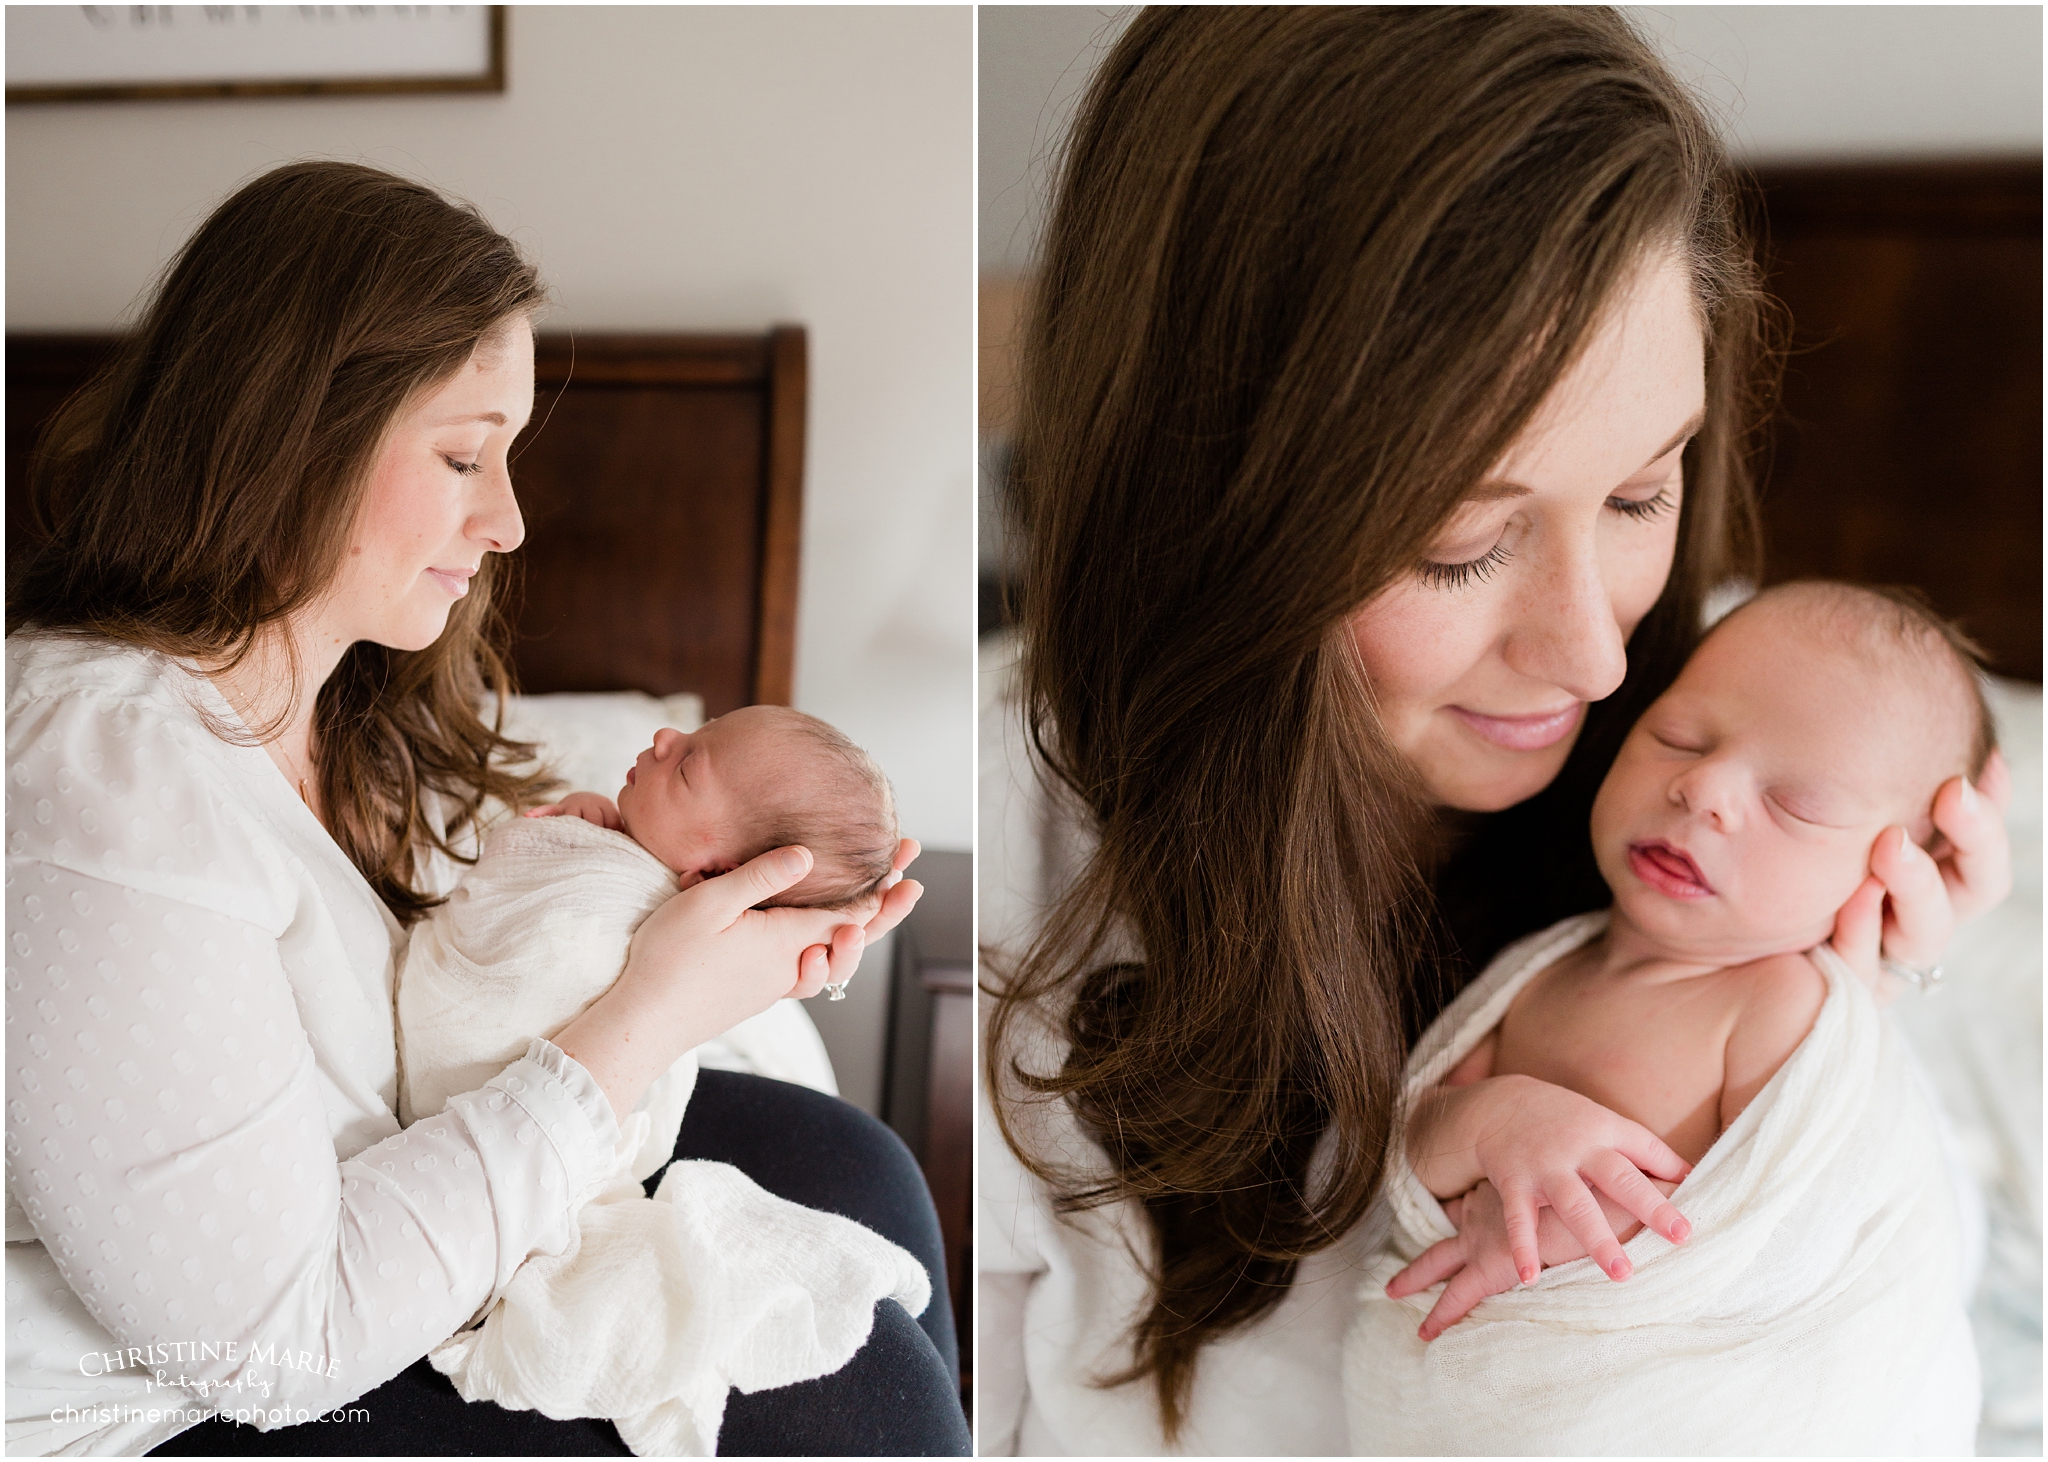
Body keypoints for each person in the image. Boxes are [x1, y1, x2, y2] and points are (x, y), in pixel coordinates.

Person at [977, 9, 2012, 1455]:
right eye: (1461, 544)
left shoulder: (1770, 713)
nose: (1598, 658)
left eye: (1645, 495)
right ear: (1212, 503)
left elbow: (1859, 1339)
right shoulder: (1005, 891)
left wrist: (1862, 1008)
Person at [5, 161, 968, 1457]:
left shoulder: (336, 706)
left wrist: (740, 960)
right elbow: (268, 1344)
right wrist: (648, 1014)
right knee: (866, 1405)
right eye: (465, 453)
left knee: (861, 1170)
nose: (508, 519)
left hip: (353, 1209)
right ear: (291, 438)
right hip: (169, 1395)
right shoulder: (103, 776)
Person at [1341, 581, 1988, 1454]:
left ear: (1893, 870)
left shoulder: (1781, 1010)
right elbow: (1406, 1144)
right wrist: (1491, 1122)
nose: (1704, 788)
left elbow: (1774, 1248)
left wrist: (1552, 1236)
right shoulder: (1540, 969)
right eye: (1677, 736)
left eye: (1794, 802)